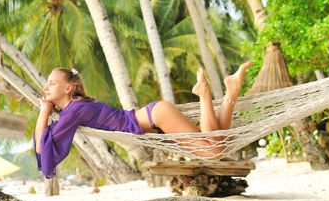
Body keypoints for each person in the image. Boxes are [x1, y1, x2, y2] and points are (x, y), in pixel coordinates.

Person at [34, 62, 252, 178]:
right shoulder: (74, 108)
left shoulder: (74, 110)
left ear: (68, 88)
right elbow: (45, 140)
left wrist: (44, 110)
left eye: (51, 83)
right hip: (155, 116)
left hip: (156, 117)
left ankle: (204, 93)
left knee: (214, 152)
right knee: (217, 144)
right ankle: (231, 92)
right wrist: (47, 110)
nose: (46, 87)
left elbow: (44, 147)